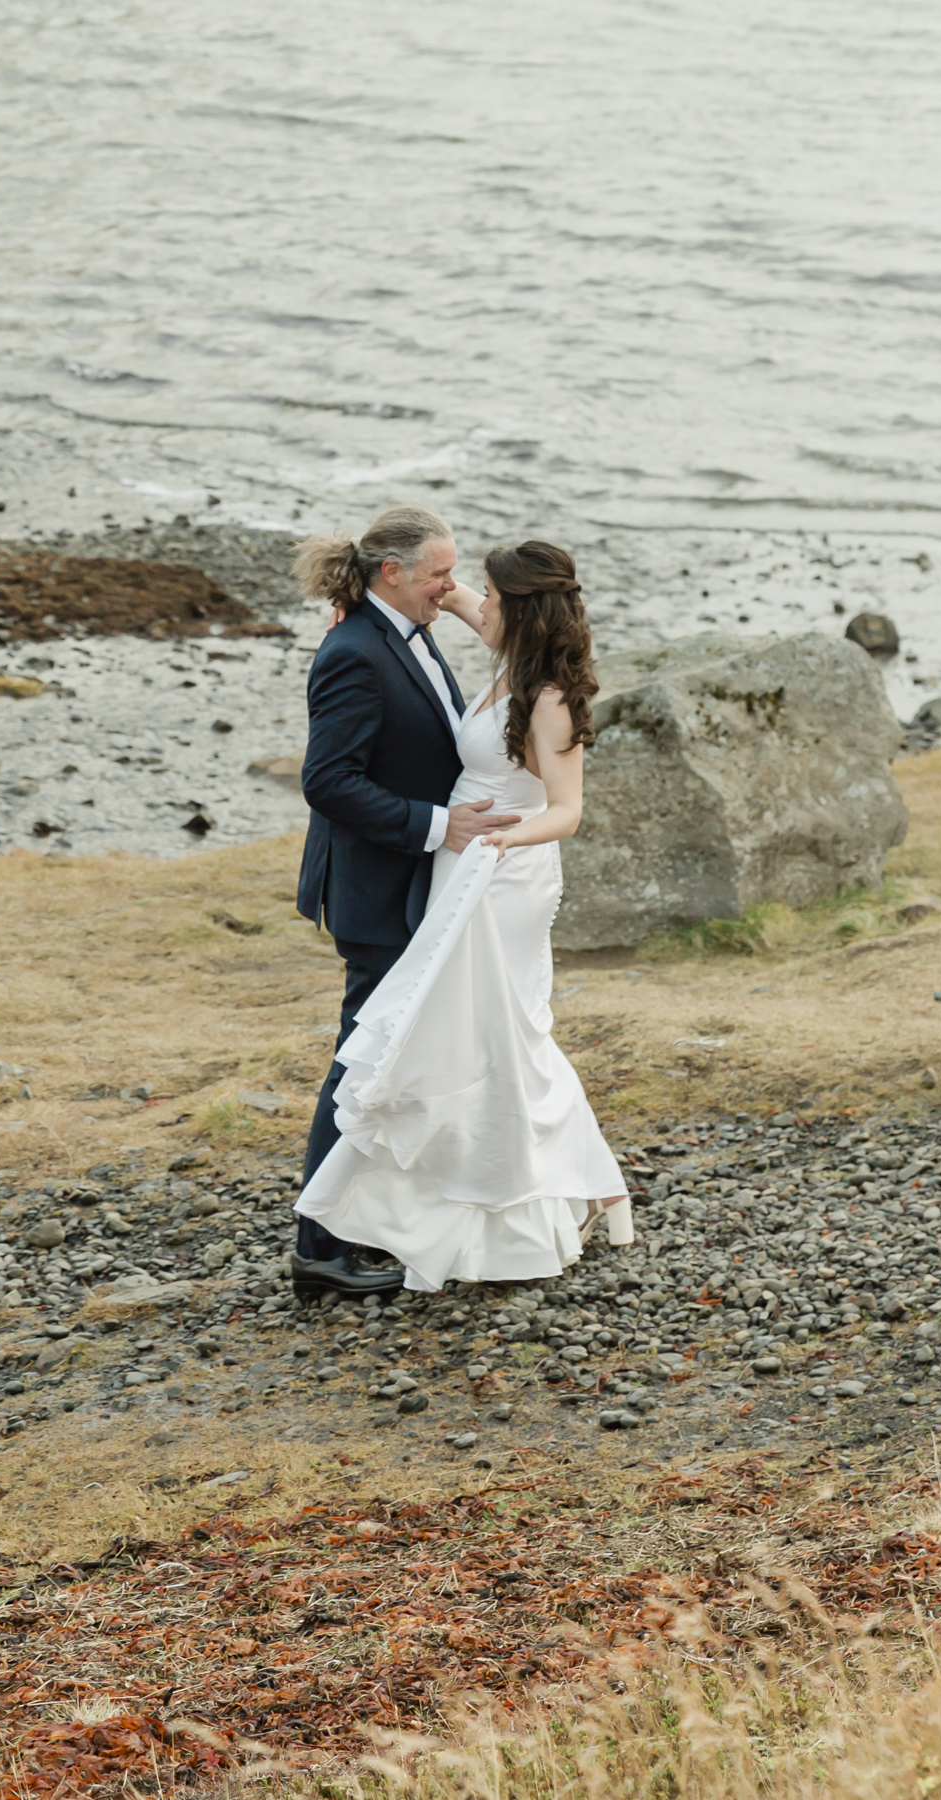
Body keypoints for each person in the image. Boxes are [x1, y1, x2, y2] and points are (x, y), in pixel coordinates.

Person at [295, 539, 632, 1293]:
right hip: (463, 865)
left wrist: (504, 839)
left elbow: (568, 810)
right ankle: (451, 1206)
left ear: (521, 607)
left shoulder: (550, 696)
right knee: (460, 1036)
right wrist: (362, 600)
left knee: (500, 1036)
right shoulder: (507, 645)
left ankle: (530, 1202)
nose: (467, 597)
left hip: (502, 875)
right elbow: (439, 598)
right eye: (455, 581)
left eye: (486, 591)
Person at [291, 505, 522, 1301]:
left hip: (414, 883)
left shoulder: (400, 626)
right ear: (392, 573)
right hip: (375, 889)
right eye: (438, 575)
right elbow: (328, 781)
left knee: (389, 1055)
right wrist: (437, 825)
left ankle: (365, 1221)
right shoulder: (355, 651)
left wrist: (457, 604)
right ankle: (318, 1247)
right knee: (364, 1059)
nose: (448, 586)